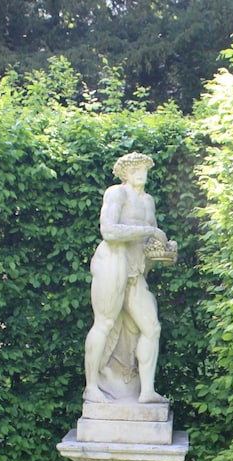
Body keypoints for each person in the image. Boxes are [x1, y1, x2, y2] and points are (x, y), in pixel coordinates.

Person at [83, 153, 173, 404]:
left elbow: (149, 244)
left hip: (135, 270)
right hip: (112, 262)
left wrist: (163, 253)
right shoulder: (117, 193)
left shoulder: (148, 201)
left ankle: (146, 391)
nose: (140, 173)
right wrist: (150, 230)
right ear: (125, 173)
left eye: (143, 169)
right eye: (134, 169)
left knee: (152, 328)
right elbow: (109, 230)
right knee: (104, 322)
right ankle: (91, 387)